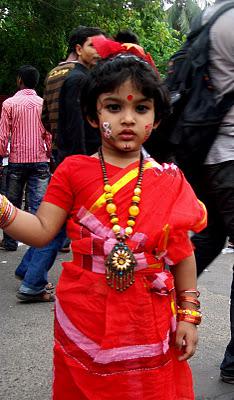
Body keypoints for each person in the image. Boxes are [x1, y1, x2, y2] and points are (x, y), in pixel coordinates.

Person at [0, 46, 207, 399]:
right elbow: (40, 231)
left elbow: (181, 253)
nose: (128, 118)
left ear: (155, 119)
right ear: (94, 116)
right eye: (114, 106)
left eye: (141, 108)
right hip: (86, 312)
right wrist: (2, 208)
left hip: (149, 315)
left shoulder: (169, 179)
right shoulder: (73, 171)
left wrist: (188, 314)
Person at [14, 26, 106, 302]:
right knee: (58, 224)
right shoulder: (79, 78)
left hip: (59, 154)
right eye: (93, 46)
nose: (98, 53)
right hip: (76, 158)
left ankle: (27, 268)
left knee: (55, 219)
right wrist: (85, 162)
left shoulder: (55, 73)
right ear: (79, 48)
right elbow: (78, 125)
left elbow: (45, 119)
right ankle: (32, 282)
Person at [188, 0, 234, 383]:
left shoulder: (213, 14)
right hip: (231, 156)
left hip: (206, 152)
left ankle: (146, 317)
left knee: (208, 238)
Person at [0, 65, 51, 251]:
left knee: (12, 203)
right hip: (40, 160)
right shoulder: (42, 103)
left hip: (16, 160)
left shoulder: (9, 104)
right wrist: (49, 153)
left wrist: (1, 156)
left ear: (19, 80)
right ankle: (37, 244)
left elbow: (3, 136)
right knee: (38, 204)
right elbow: (49, 133)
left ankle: (10, 241)